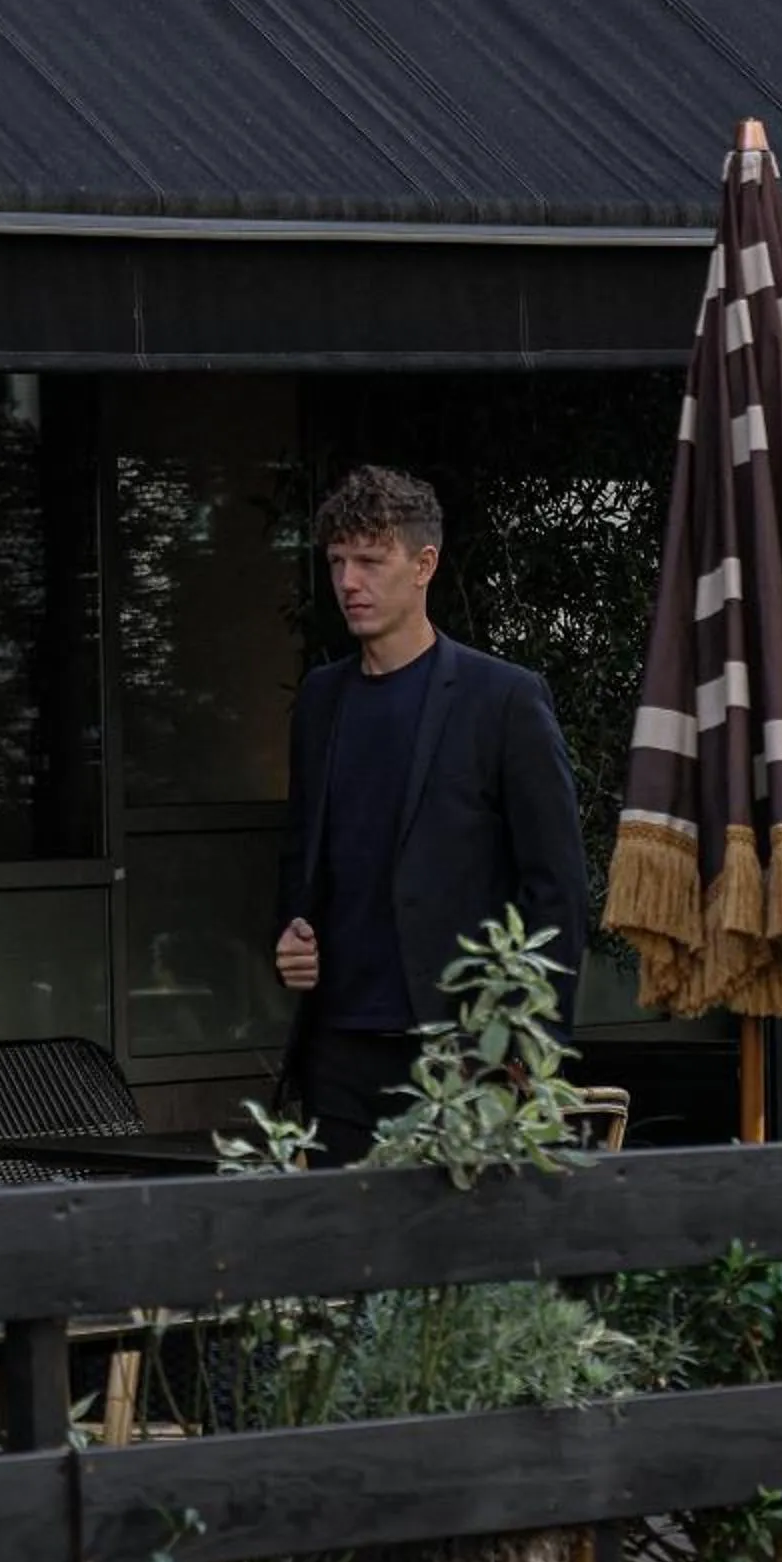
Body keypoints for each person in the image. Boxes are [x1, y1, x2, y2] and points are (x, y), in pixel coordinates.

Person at [274, 464, 587, 1165]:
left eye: (370, 561)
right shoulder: (321, 701)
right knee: (346, 1259)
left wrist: (529, 1052)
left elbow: (557, 889)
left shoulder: (501, 699)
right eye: (337, 562)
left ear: (423, 565)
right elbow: (303, 856)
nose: (349, 582)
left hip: (464, 1053)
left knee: (465, 1267)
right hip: (338, 1050)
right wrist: (290, 933)